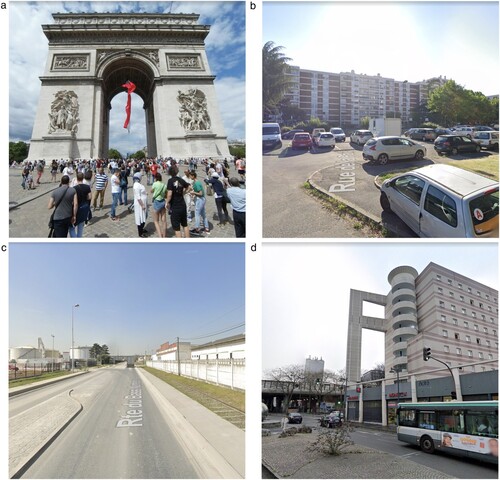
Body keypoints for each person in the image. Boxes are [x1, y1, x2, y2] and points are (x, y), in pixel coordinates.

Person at [166, 165, 191, 238]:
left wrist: (167, 202)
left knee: (177, 228)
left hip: (175, 206)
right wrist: (183, 193)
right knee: (185, 225)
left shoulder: (170, 181)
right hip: (182, 205)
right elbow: (189, 186)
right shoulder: (181, 179)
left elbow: (169, 194)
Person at [69, 172, 92, 238]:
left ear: (77, 178)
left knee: (72, 227)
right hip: (84, 208)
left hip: (76, 209)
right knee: (80, 227)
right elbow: (90, 197)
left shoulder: (74, 188)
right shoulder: (87, 187)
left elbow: (73, 201)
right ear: (83, 178)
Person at [151, 172, 168, 237]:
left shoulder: (155, 184)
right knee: (164, 220)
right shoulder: (164, 185)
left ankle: (160, 236)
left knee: (156, 221)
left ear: (155, 178)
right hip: (163, 202)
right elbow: (166, 194)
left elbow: (151, 191)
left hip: (156, 202)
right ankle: (164, 235)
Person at [132, 173, 148, 237]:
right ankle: (140, 233)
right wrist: (142, 205)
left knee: (143, 217)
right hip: (140, 205)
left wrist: (145, 193)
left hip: (142, 203)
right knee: (140, 218)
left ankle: (141, 229)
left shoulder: (138, 184)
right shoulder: (136, 185)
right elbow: (138, 197)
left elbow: (141, 192)